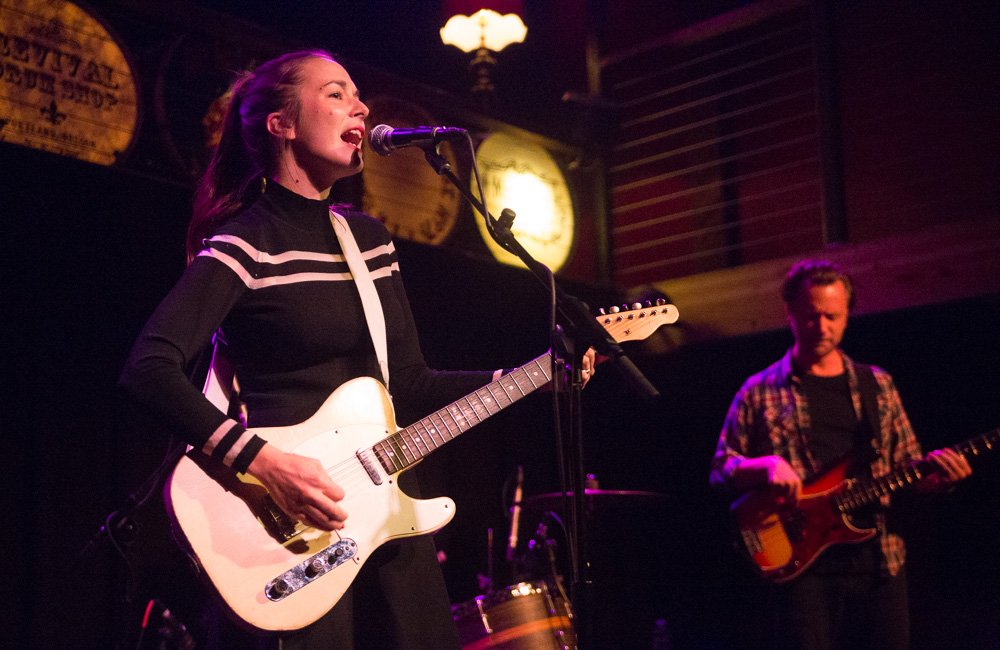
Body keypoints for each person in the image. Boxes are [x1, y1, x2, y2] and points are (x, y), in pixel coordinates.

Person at [118, 49, 594, 650]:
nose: (361, 106)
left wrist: (533, 377)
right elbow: (149, 369)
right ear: (281, 124)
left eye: (357, 93)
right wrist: (265, 463)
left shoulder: (366, 240)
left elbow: (413, 385)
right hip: (291, 530)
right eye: (336, 93)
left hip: (388, 522)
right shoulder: (246, 242)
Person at [709, 259, 971, 650]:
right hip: (800, 569)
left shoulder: (878, 385)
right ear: (791, 314)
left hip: (880, 562)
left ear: (848, 315)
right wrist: (764, 466)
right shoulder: (758, 390)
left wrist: (939, 481)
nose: (822, 327)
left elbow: (909, 469)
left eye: (833, 316)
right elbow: (720, 469)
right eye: (812, 315)